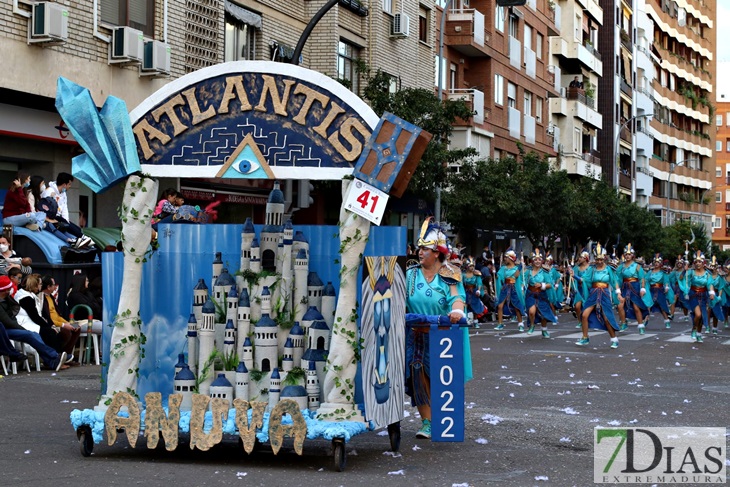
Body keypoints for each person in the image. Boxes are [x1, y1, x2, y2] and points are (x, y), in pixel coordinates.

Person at [405, 218, 466, 439]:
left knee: (439, 378)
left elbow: (456, 298)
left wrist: (457, 311)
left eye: (425, 249)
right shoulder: (410, 274)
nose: (420, 252)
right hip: (414, 335)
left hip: (441, 337)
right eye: (419, 248)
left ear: (438, 252)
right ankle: (427, 422)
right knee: (417, 376)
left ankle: (441, 417)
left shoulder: (449, 274)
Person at [0, 275, 67, 370]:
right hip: (5, 330)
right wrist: (23, 330)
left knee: (33, 335)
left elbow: (13, 315)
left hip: (11, 328)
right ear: (5, 290)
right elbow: (8, 322)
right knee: (33, 334)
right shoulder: (22, 298)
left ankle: (53, 360)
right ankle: (54, 356)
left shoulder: (7, 299)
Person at [14, 274, 76, 364]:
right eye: (39, 284)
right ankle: (56, 357)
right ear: (34, 285)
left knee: (56, 331)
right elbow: (35, 316)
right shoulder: (26, 298)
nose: (40, 286)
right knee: (50, 332)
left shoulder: (35, 296)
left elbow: (54, 315)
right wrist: (50, 326)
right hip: (25, 324)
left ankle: (61, 356)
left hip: (33, 323)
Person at [575, 244, 621, 349]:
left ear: (604, 258)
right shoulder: (592, 269)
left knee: (606, 318)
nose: (599, 261)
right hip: (593, 293)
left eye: (601, 259)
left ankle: (614, 338)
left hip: (604, 294)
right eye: (597, 259)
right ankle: (585, 337)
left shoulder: (609, 269)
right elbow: (584, 280)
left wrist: (618, 293)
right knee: (585, 315)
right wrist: (574, 275)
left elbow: (614, 281)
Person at [615, 243, 653, 333]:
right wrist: (618, 290)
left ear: (632, 255)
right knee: (620, 305)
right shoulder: (621, 267)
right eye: (626, 254)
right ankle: (624, 323)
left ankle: (640, 326)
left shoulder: (637, 266)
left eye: (629, 254)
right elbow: (617, 279)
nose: (627, 256)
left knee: (636, 307)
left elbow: (642, 278)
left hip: (635, 287)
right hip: (625, 287)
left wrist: (642, 288)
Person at [40, 275, 82, 355]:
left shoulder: (50, 297)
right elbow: (49, 318)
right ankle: (60, 354)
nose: (55, 287)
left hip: (60, 322)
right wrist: (63, 325)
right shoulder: (43, 299)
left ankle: (67, 355)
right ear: (48, 287)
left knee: (77, 328)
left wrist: (67, 323)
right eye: (53, 285)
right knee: (66, 332)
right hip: (52, 324)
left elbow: (57, 315)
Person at [678, 251, 715, 343]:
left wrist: (711, 293)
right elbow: (681, 278)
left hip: (703, 296)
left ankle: (699, 334)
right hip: (693, 294)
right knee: (698, 314)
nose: (698, 264)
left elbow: (710, 284)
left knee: (702, 316)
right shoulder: (691, 272)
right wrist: (684, 270)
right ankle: (694, 328)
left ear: (703, 263)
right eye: (696, 262)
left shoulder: (707, 274)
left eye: (700, 262)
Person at [522, 249, 558, 338]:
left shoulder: (545, 272)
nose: (537, 261)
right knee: (531, 312)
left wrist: (542, 285)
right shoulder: (527, 271)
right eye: (535, 259)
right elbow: (522, 280)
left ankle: (544, 330)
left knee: (543, 314)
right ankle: (532, 325)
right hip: (530, 294)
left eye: (539, 260)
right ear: (532, 261)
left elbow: (550, 284)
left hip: (542, 295)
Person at [494, 248, 526, 331]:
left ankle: (520, 323)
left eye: (506, 257)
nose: (505, 259)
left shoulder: (517, 268)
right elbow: (500, 276)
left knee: (516, 306)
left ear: (511, 258)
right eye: (504, 257)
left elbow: (519, 279)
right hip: (505, 287)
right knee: (500, 306)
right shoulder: (503, 268)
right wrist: (496, 275)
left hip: (514, 288)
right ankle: (500, 323)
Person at [647, 254, 673, 330]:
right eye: (655, 262)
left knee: (662, 306)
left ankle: (666, 320)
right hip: (652, 290)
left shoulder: (663, 272)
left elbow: (666, 280)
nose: (656, 263)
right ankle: (645, 319)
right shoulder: (650, 272)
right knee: (648, 305)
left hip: (660, 290)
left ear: (660, 263)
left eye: (658, 262)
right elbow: (646, 280)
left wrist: (667, 286)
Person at [567, 249, 590, 328]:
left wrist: (575, 276)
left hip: (588, 290)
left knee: (588, 307)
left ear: (585, 258)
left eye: (581, 257)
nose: (579, 259)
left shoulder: (590, 268)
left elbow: (586, 279)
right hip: (579, 290)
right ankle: (580, 321)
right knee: (577, 307)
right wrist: (569, 272)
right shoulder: (576, 268)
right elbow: (573, 277)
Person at [462, 257, 488, 326]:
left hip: (474, 291)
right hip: (466, 291)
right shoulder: (463, 275)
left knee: (475, 306)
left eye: (473, 266)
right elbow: (461, 284)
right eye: (470, 266)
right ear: (467, 266)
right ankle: (466, 320)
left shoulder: (476, 274)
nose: (472, 267)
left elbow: (479, 283)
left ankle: (476, 321)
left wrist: (479, 290)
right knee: (466, 305)